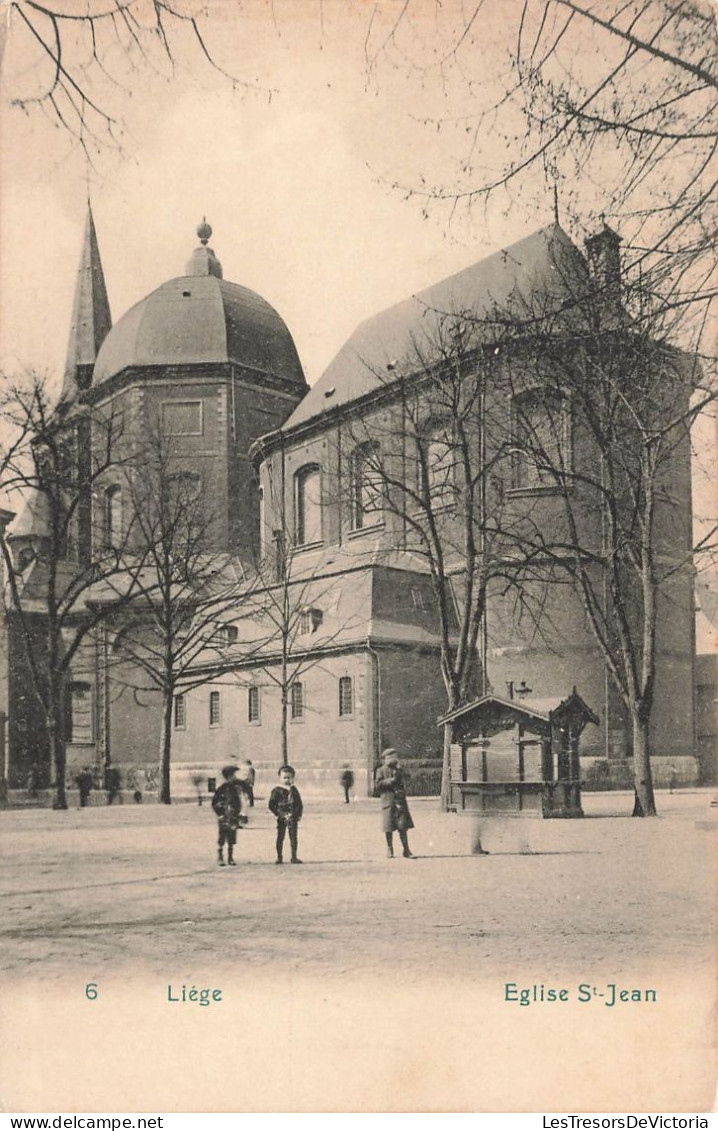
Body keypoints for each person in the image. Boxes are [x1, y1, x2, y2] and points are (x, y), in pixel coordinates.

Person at [374, 748, 415, 858]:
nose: (393, 760)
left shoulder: (399, 769)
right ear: (386, 759)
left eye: (395, 758)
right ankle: (390, 849)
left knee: (403, 827)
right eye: (391, 758)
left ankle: (406, 850)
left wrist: (401, 772)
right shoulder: (380, 770)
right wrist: (389, 781)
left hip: (400, 801)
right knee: (389, 827)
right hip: (388, 801)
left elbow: (408, 779)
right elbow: (377, 785)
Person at [268, 764, 304, 864]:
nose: (287, 780)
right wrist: (278, 813)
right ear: (280, 778)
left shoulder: (294, 790)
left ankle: (294, 856)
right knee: (280, 837)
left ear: (293, 778)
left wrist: (299, 814)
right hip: (282, 817)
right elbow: (271, 804)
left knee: (293, 837)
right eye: (284, 778)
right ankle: (279, 857)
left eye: (289, 777)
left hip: (292, 817)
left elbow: (299, 803)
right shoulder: (276, 791)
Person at [211, 765, 245, 866]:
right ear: (229, 776)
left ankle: (230, 857)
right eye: (234, 775)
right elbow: (215, 803)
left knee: (232, 837)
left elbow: (239, 802)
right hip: (224, 817)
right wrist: (220, 814)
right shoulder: (222, 789)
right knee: (222, 837)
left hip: (233, 816)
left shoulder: (236, 788)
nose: (235, 777)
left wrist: (240, 814)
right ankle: (220, 857)